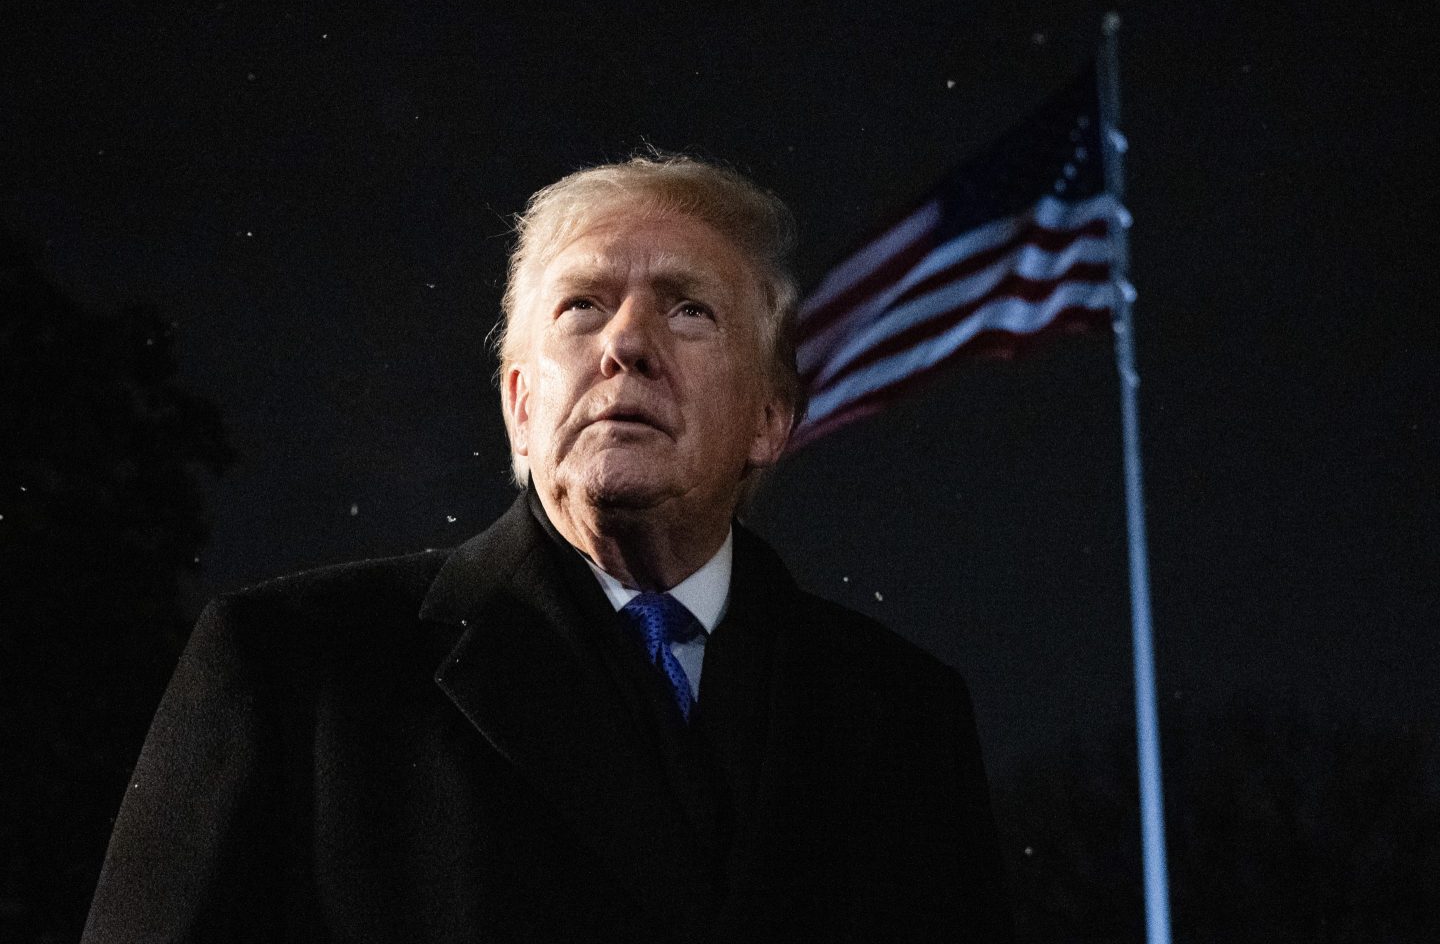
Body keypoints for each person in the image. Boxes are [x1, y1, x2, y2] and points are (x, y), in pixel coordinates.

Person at [82, 153, 1013, 943]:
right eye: (581, 307)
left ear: (771, 419)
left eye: (688, 309)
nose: (626, 345)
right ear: (522, 409)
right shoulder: (293, 668)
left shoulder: (903, 713)